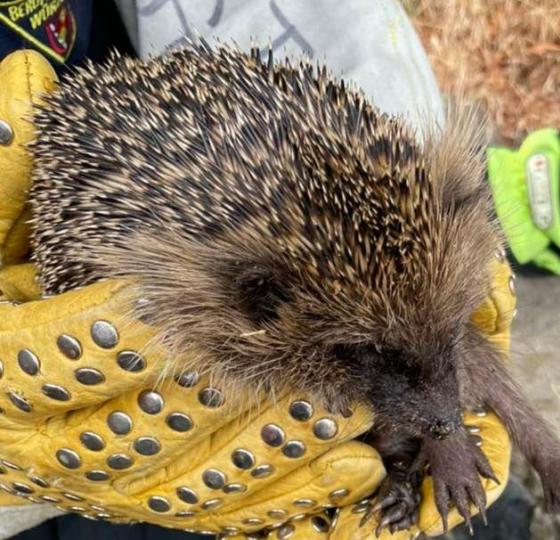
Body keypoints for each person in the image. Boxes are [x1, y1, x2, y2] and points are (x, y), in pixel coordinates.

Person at [0, 1, 514, 538]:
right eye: (376, 352)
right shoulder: (227, 298)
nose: (446, 413)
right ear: (261, 301)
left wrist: (422, 211)